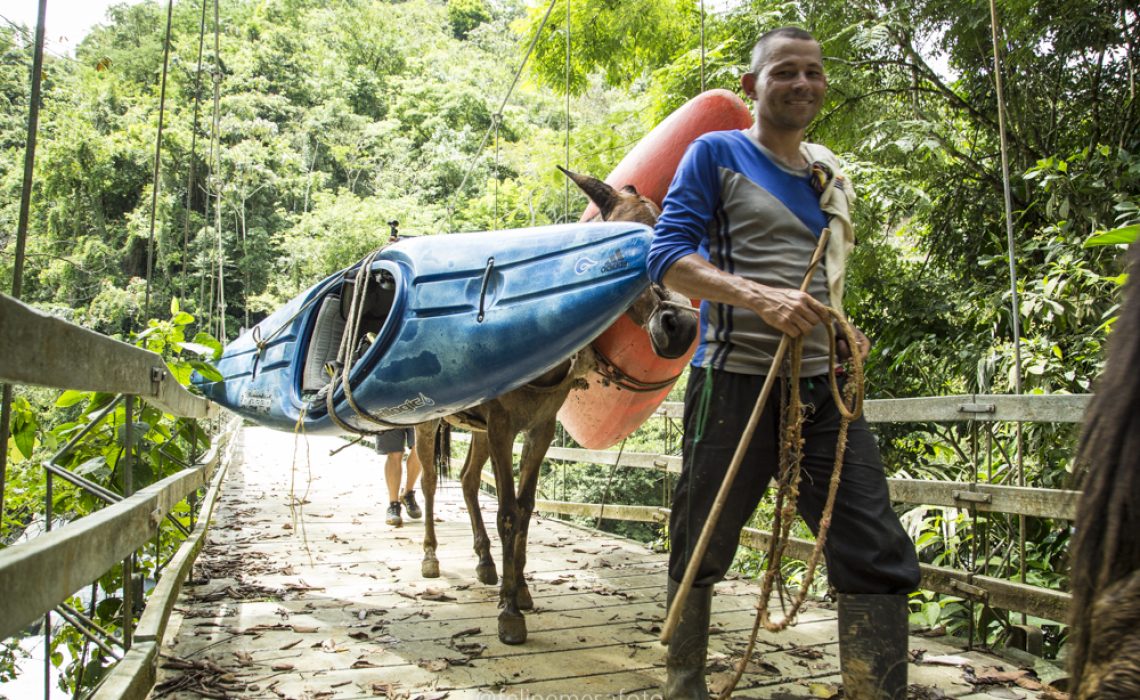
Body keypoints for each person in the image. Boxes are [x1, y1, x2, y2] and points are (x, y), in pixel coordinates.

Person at [646, 27, 920, 700]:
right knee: (701, 535)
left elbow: (821, 280)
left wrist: (842, 327)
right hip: (735, 380)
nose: (802, 84)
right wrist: (755, 296)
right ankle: (685, 685)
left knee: (875, 544)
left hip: (827, 388)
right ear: (752, 86)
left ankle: (874, 690)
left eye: (813, 72)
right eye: (784, 72)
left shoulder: (828, 173)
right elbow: (666, 256)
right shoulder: (717, 154)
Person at [375, 427, 423, 527]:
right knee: (394, 453)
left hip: (418, 412)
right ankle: (393, 505)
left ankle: (407, 494)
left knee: (420, 448)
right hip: (389, 412)